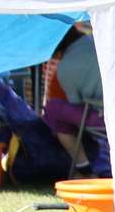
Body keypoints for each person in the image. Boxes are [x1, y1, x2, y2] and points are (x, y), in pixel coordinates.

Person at [42, 27, 108, 175]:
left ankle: (83, 166)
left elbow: (75, 102)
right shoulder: (98, 39)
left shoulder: (65, 67)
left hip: (104, 117)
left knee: (53, 110)